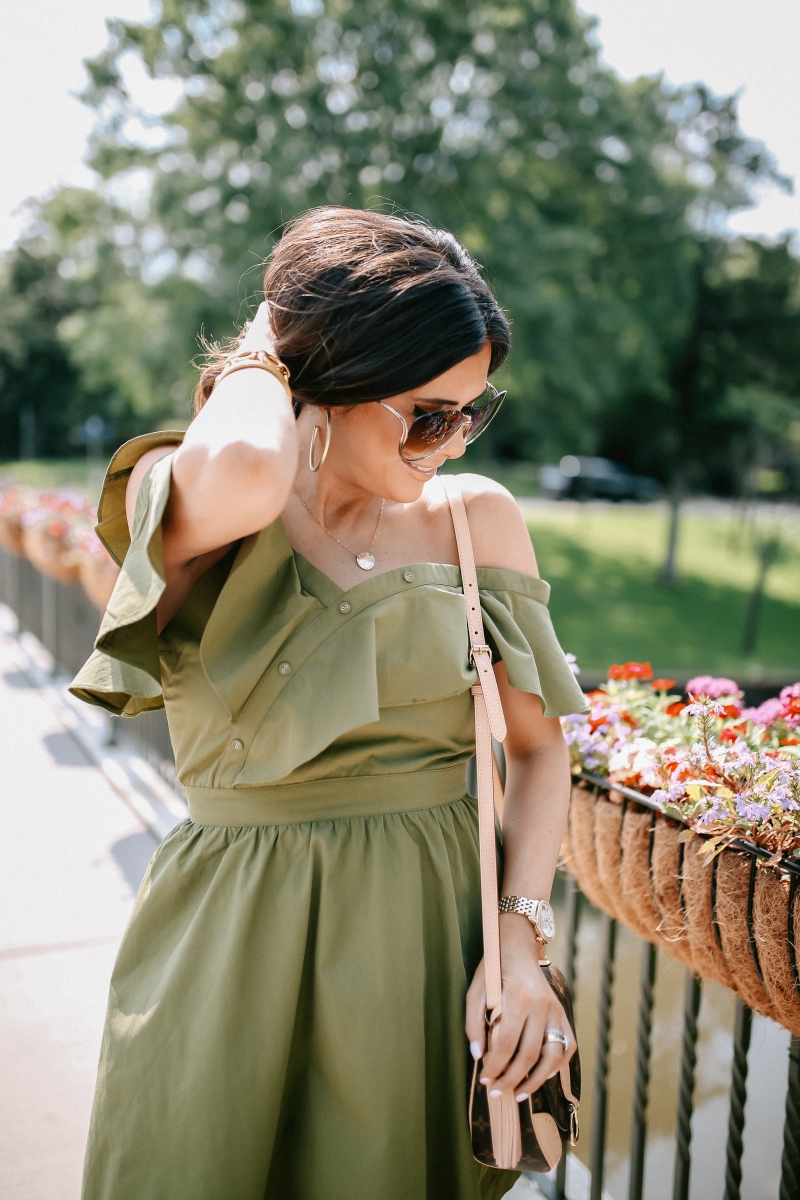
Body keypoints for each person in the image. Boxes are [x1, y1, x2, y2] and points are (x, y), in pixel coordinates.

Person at [71, 207, 588, 1200]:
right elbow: (249, 467)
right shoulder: (198, 501)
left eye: (472, 413)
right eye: (427, 414)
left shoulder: (478, 523)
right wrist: (268, 345)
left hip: (431, 950)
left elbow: (535, 751)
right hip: (232, 945)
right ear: (329, 383)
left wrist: (519, 945)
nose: (451, 441)